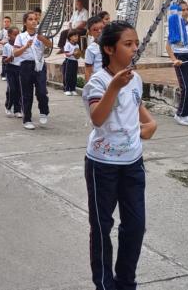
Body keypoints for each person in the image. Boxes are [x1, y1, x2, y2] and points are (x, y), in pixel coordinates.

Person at [82, 20, 156, 290]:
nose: (135, 49)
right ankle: (104, 285)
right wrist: (114, 86)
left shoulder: (135, 78)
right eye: (128, 44)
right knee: (102, 227)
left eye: (136, 43)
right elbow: (98, 119)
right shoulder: (98, 82)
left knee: (135, 226)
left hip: (133, 164)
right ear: (109, 49)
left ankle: (126, 282)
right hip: (102, 166)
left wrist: (150, 124)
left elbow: (139, 110)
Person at [13, 10, 53, 130]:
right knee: (26, 94)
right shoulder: (20, 37)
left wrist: (42, 39)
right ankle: (27, 119)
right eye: (30, 19)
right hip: (26, 66)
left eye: (35, 19)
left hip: (39, 65)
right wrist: (25, 47)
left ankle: (44, 111)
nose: (33, 21)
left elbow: (50, 45)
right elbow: (15, 53)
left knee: (41, 91)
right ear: (25, 23)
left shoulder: (40, 34)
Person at [1, 27, 21, 118]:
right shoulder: (6, 46)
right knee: (12, 89)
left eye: (18, 34)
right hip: (10, 69)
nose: (17, 37)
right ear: (9, 36)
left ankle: (17, 109)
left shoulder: (21, 46)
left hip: (20, 69)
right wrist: (10, 58)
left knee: (19, 90)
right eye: (15, 35)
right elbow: (4, 61)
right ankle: (8, 107)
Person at [83, 15, 106, 82]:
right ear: (90, 32)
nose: (99, 31)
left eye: (102, 28)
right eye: (95, 30)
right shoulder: (91, 49)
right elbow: (88, 70)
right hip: (98, 82)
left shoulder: (112, 44)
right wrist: (87, 89)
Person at [62, 30, 81, 96]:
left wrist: (78, 55)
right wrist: (73, 53)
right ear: (70, 37)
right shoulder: (67, 44)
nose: (76, 37)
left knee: (74, 76)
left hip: (75, 62)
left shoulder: (77, 45)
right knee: (68, 76)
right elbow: (66, 54)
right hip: (69, 61)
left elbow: (77, 55)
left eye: (77, 36)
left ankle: (73, 89)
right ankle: (66, 89)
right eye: (75, 36)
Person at [0, 16, 12, 80]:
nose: (6, 23)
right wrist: (2, 42)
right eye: (5, 22)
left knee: (10, 62)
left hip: (11, 50)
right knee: (4, 62)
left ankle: (9, 74)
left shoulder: (12, 30)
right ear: (3, 23)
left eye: (8, 22)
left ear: (10, 23)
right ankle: (3, 75)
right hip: (4, 50)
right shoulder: (2, 31)